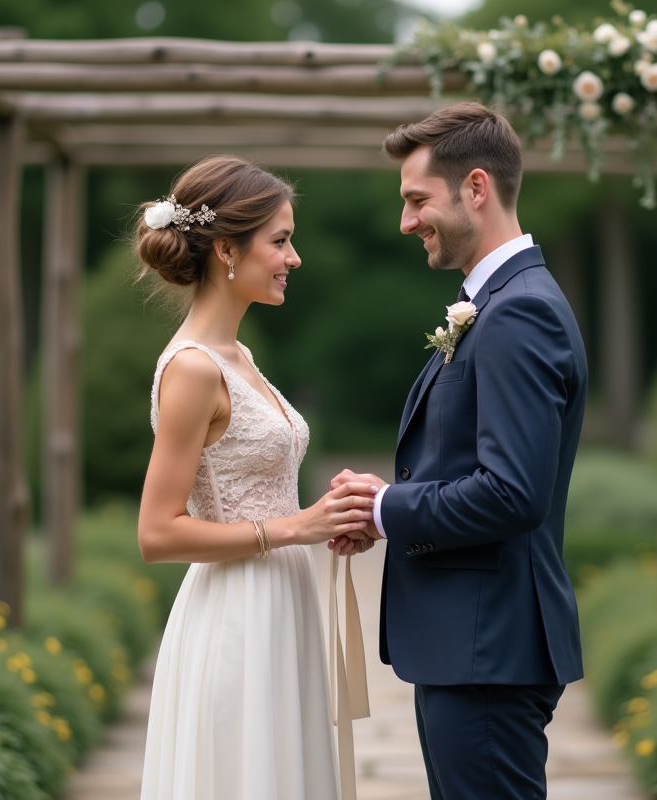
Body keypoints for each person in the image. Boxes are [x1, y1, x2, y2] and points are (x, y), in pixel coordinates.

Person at [330, 102, 589, 800]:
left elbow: (512, 492)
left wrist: (388, 509)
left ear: (476, 187)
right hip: (475, 650)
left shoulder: (518, 313)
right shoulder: (497, 302)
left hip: (488, 651)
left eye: (417, 200)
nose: (406, 221)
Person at [135, 155, 374, 800]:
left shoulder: (239, 356)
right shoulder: (191, 368)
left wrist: (332, 511)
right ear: (224, 250)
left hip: (283, 603)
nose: (293, 257)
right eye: (280, 240)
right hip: (236, 615)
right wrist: (296, 526)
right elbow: (157, 533)